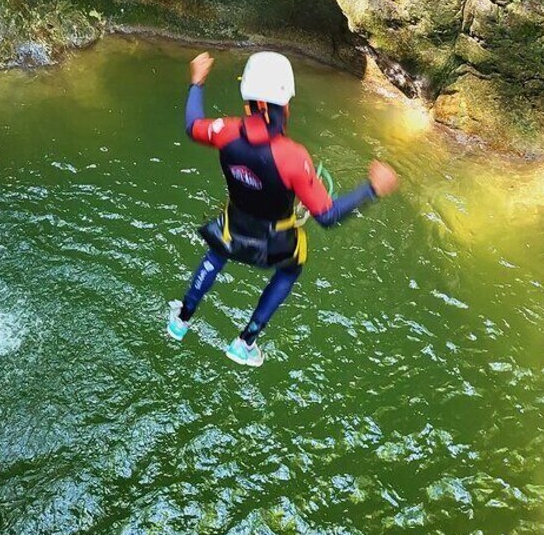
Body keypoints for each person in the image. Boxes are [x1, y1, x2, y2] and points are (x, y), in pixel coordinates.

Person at [167, 51, 399, 367]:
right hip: (273, 241)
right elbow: (327, 216)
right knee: (291, 268)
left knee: (217, 251)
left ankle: (180, 321)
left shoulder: (225, 131)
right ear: (285, 106)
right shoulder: (293, 157)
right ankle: (244, 342)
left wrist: (197, 83)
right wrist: (371, 189)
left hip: (233, 227)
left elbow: (192, 124)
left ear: (247, 102)